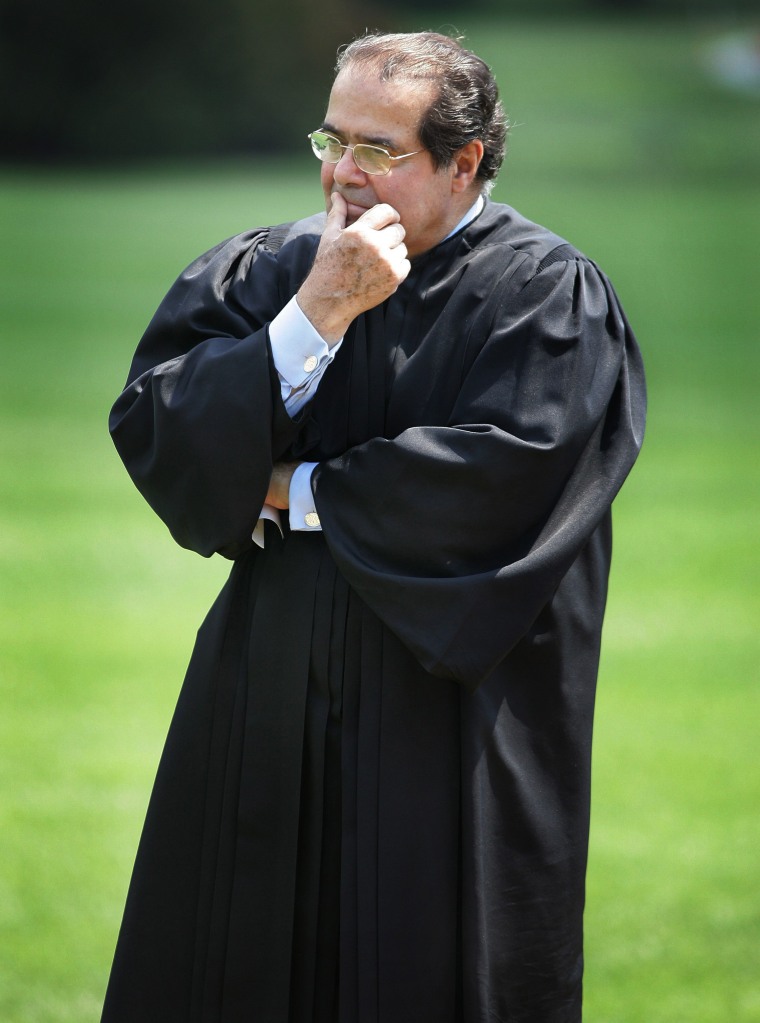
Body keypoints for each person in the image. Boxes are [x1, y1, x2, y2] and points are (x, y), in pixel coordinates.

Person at [102, 30, 646, 1023]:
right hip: (262, 691)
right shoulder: (272, 272)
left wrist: (287, 488)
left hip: (448, 708)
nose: (342, 174)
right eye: (331, 139)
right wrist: (312, 316)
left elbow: (495, 481)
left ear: (465, 159)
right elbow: (155, 425)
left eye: (379, 150)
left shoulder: (544, 298)